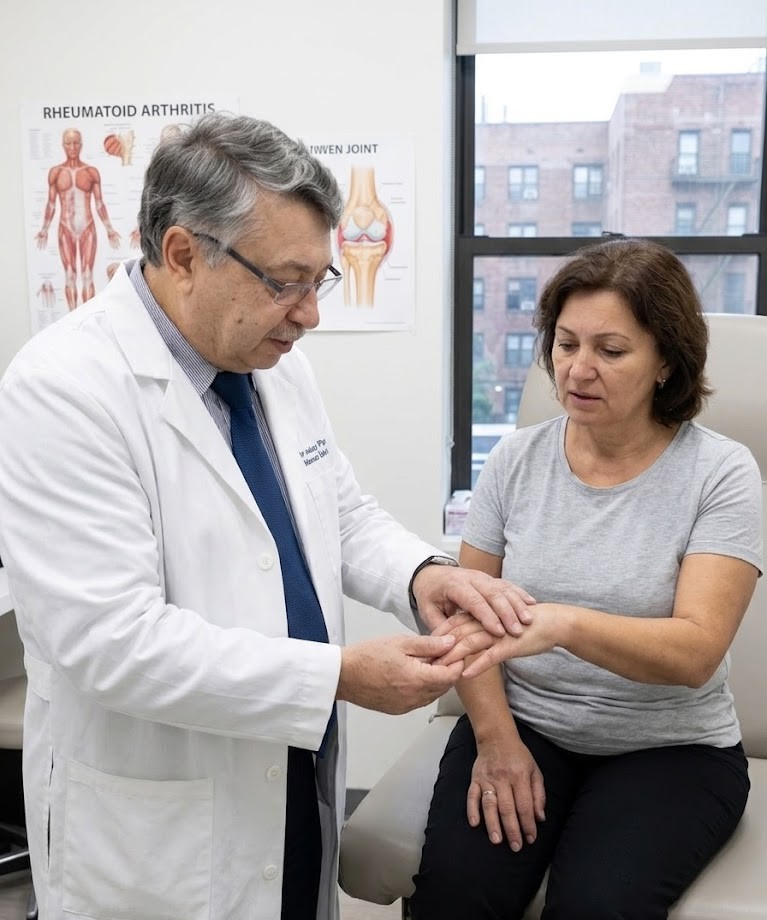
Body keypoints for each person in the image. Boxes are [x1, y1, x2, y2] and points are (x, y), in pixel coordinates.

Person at [0, 113, 536, 920]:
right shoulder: (65, 388)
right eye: (284, 281)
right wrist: (338, 677)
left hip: (288, 761)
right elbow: (110, 643)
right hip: (161, 810)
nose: (309, 313)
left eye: (316, 280)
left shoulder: (271, 362)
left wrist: (424, 577)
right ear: (182, 254)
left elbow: (340, 510)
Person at [411, 238, 762, 920]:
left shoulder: (719, 473)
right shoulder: (516, 459)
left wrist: (562, 623)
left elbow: (694, 653)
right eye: (565, 344)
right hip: (526, 723)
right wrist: (495, 739)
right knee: (457, 895)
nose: (576, 369)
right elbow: (461, 617)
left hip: (670, 749)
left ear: (664, 360)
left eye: (610, 349)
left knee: (597, 905)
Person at [35, 128, 121, 310]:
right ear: (63, 145)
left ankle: (86, 318)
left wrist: (109, 229)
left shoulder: (91, 172)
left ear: (81, 145)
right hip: (65, 227)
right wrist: (44, 229)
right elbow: (51, 204)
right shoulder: (56, 172)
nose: (72, 147)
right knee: (70, 275)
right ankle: (72, 320)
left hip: (87, 227)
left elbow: (99, 204)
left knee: (88, 274)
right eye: (68, 143)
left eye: (76, 143)